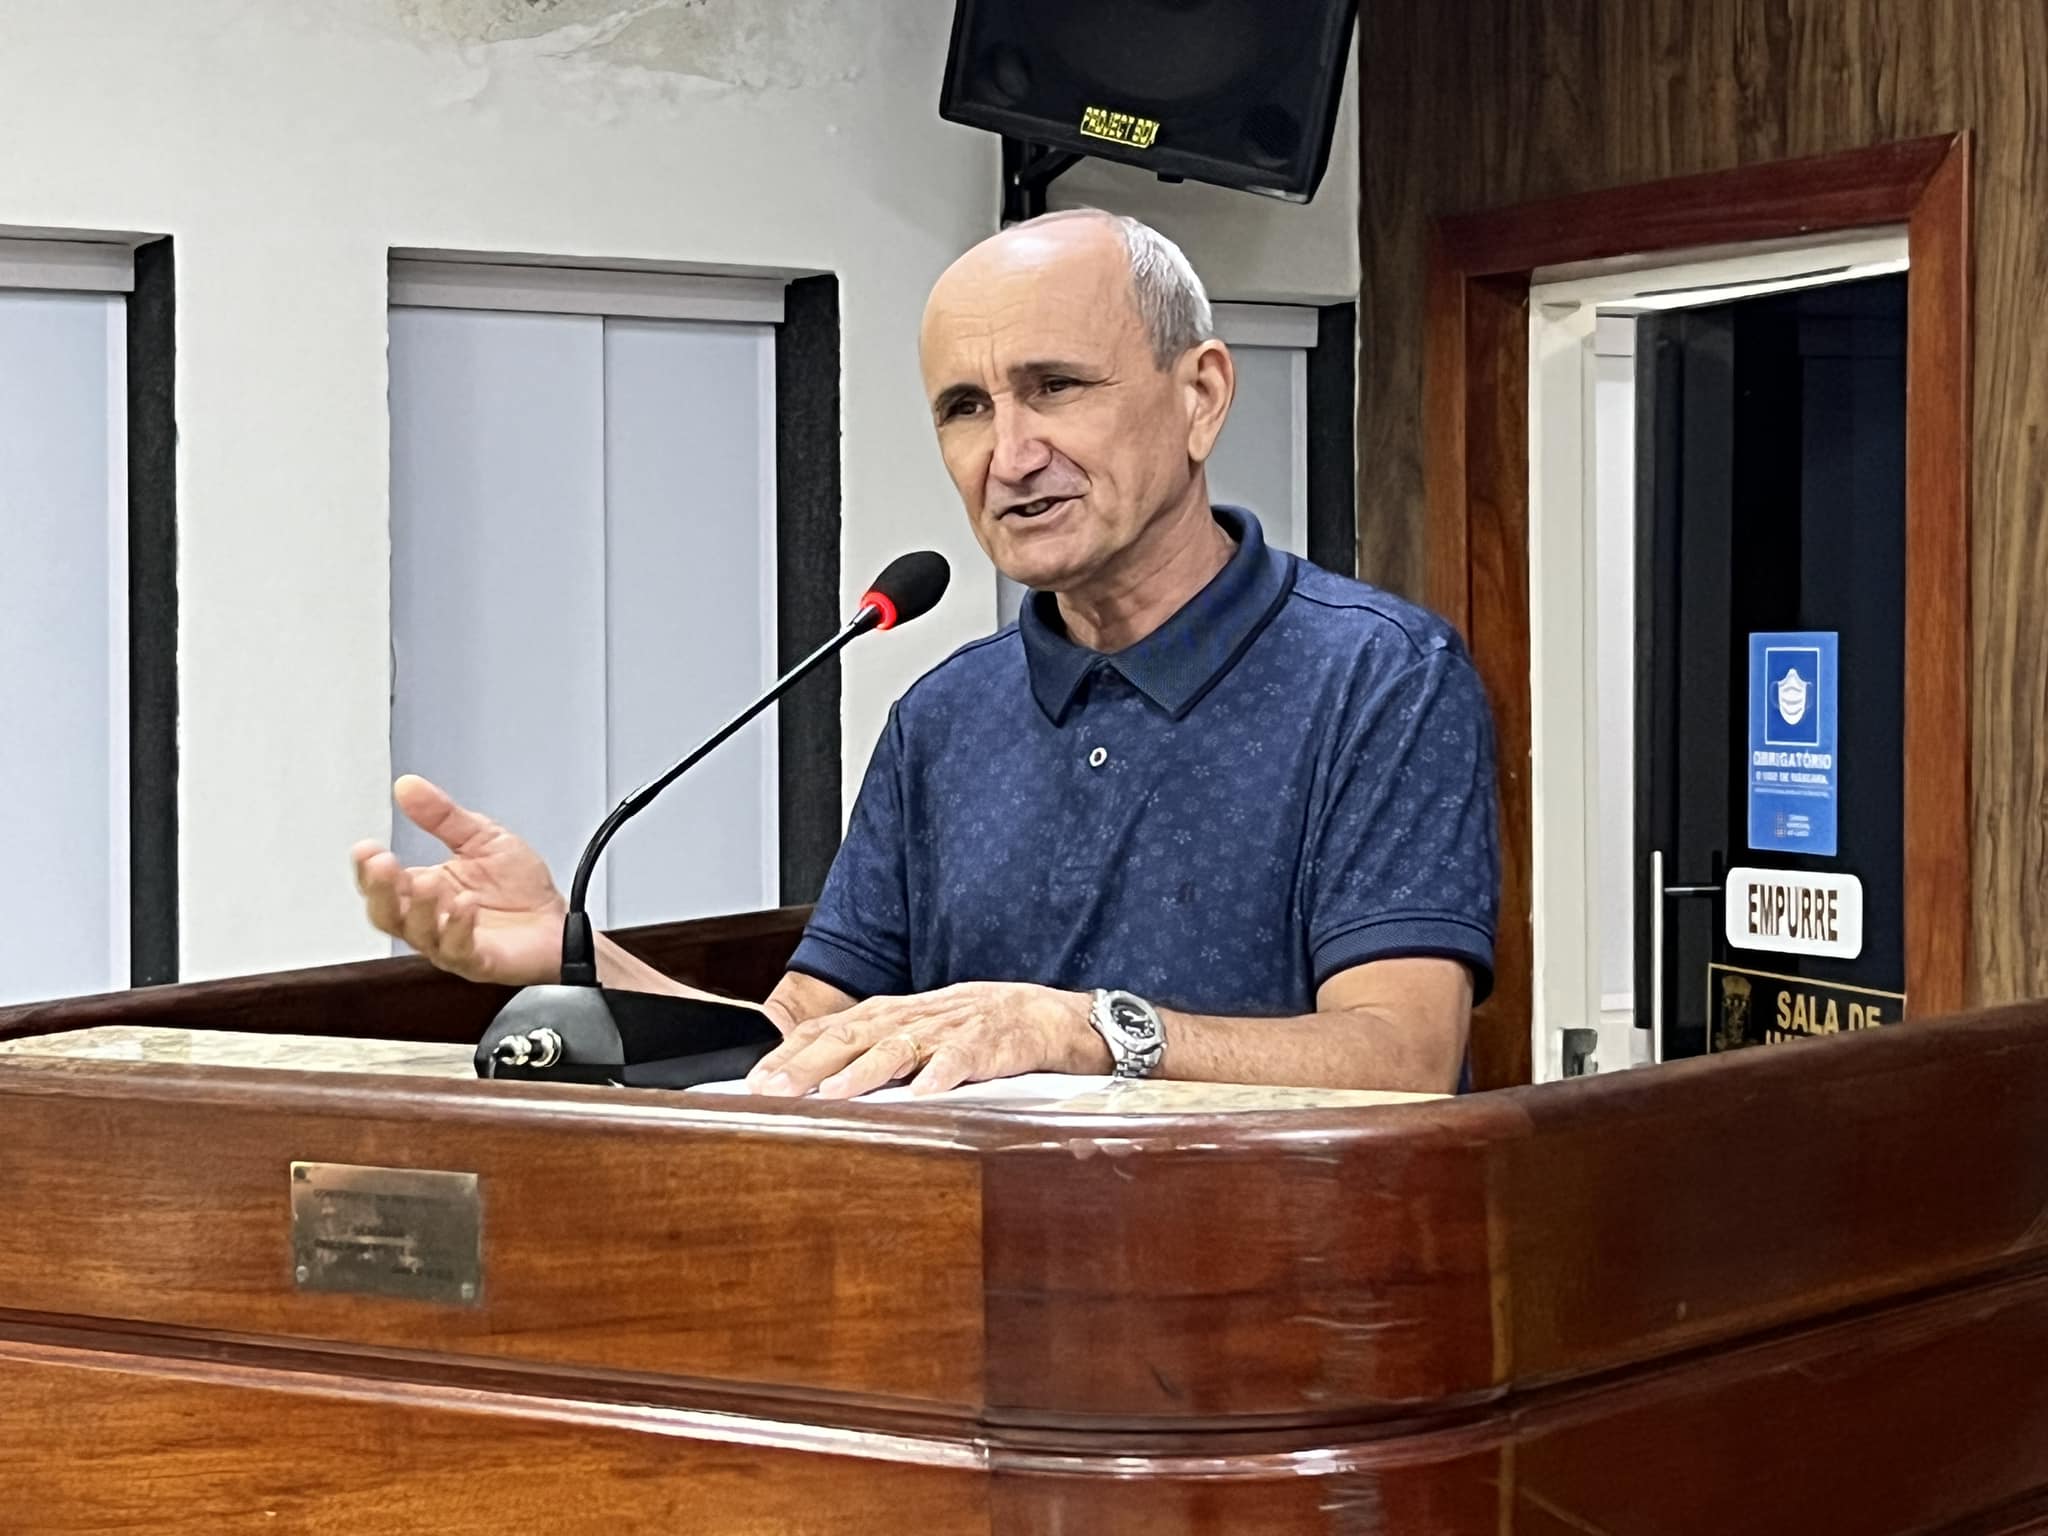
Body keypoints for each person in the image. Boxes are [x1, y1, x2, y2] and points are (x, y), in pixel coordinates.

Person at [352, 209, 1499, 1098]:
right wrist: (574, 956)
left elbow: (1398, 1056)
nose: (1008, 455)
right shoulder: (946, 716)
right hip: (969, 1321)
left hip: (1253, 1333)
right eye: (963, 407)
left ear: (1199, 396)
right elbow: (805, 1039)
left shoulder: (1377, 677)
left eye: (1054, 388)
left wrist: (1081, 1030)